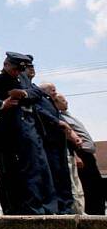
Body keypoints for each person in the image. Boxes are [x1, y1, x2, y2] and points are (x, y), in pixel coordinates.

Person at [0, 52, 56, 214]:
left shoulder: (23, 77)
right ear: (6, 65)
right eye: (14, 69)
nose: (17, 73)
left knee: (40, 165)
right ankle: (32, 207)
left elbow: (38, 93)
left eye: (20, 70)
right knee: (23, 167)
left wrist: (24, 94)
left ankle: (48, 206)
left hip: (30, 125)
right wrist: (0, 104)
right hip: (12, 126)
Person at [54, 92, 105, 215]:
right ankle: (92, 213)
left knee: (97, 185)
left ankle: (99, 212)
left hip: (87, 154)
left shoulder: (69, 116)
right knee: (89, 187)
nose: (66, 102)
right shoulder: (61, 118)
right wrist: (76, 155)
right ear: (56, 103)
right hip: (79, 154)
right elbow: (66, 138)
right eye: (63, 100)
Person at [32, 77, 74, 214]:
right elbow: (42, 113)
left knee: (64, 174)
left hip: (59, 141)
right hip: (49, 142)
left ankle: (67, 206)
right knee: (55, 174)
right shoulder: (39, 100)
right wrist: (56, 121)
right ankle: (60, 206)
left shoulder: (50, 102)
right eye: (53, 90)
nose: (56, 93)